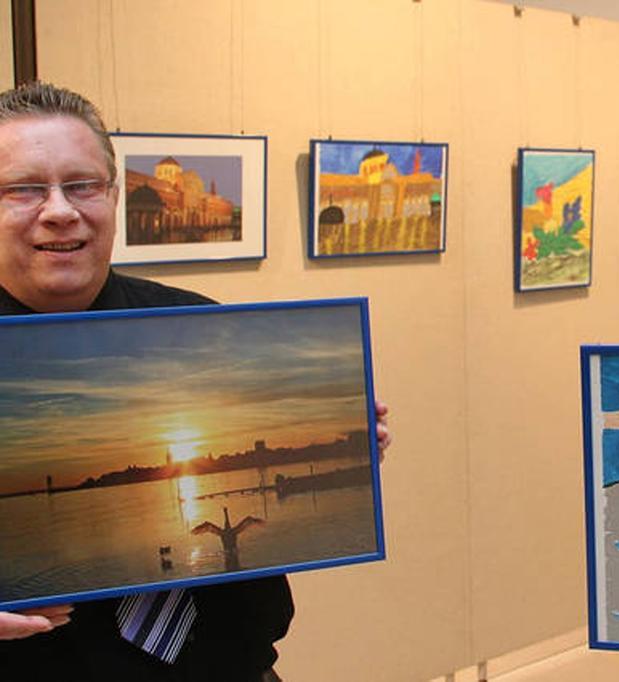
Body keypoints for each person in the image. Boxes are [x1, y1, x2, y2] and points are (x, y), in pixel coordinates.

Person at [0, 81, 392, 681]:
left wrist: (350, 444)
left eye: (82, 185)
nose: (59, 210)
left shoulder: (205, 329)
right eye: (24, 189)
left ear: (112, 197)